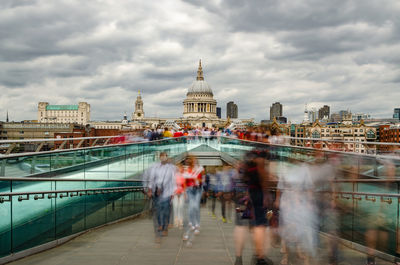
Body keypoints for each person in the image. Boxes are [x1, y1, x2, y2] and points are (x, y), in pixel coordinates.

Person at [143, 152, 177, 243]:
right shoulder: (155, 167)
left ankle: (165, 227)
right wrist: (150, 189)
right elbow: (152, 178)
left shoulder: (171, 168)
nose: (163, 158)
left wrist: (173, 192)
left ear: (167, 157)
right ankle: (160, 225)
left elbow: (174, 180)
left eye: (164, 156)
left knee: (165, 210)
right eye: (161, 156)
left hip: (167, 192)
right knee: (158, 209)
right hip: (156, 192)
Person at [182, 156, 204, 242]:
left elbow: (202, 180)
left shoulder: (200, 169)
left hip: (198, 189)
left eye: (194, 161)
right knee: (191, 207)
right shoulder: (187, 169)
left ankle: (197, 224)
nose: (193, 162)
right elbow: (184, 180)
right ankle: (192, 223)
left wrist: (195, 178)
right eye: (191, 161)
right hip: (189, 189)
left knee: (195, 206)